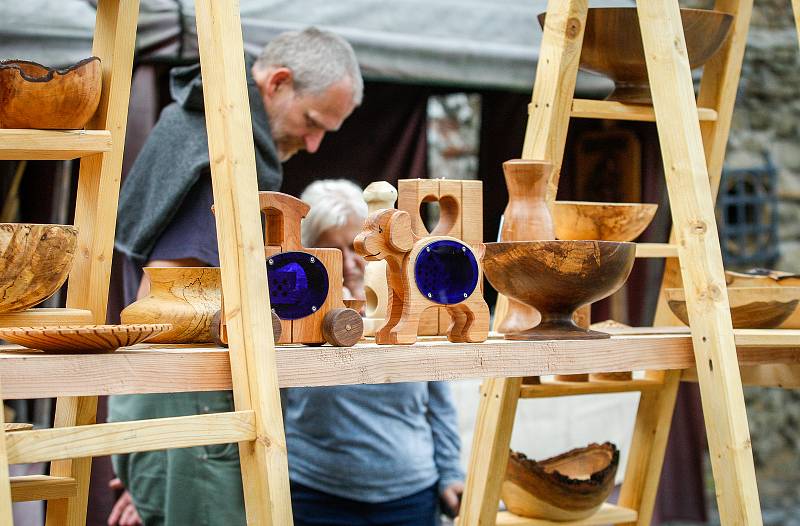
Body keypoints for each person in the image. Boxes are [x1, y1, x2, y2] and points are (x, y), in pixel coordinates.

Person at [108, 28, 363, 526]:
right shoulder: (223, 150)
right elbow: (172, 298)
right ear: (278, 82)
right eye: (312, 122)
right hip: (190, 397)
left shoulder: (190, 123)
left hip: (163, 398)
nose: (312, 145)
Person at [286, 179, 465, 526]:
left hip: (411, 497)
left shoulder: (405, 312)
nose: (351, 264)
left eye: (357, 248)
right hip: (315, 494)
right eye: (334, 252)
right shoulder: (296, 321)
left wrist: (451, 472)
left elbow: (439, 402)